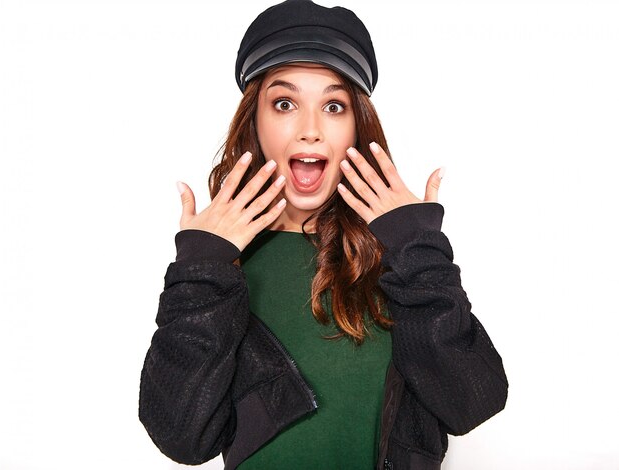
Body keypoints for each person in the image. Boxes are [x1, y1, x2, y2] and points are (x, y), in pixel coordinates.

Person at [138, 1, 508, 469]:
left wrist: (418, 250)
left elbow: (471, 403)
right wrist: (202, 269)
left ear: (356, 127)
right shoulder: (224, 267)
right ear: (255, 120)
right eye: (285, 103)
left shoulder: (397, 256)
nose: (310, 130)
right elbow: (181, 438)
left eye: (333, 106)